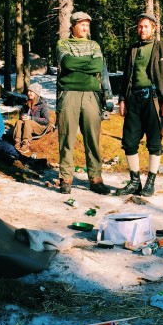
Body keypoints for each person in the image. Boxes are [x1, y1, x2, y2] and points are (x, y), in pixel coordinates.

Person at [115, 12, 163, 197]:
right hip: (133, 99)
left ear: (154, 28)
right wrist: (122, 99)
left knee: (154, 142)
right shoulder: (133, 49)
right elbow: (126, 76)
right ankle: (134, 182)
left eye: (146, 26)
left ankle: (150, 182)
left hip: (154, 100)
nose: (142, 30)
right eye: (140, 26)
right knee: (129, 142)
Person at [55, 11, 110, 195]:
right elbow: (67, 62)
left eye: (87, 24)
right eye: (81, 24)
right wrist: (85, 64)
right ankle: (66, 178)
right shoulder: (63, 43)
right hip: (68, 93)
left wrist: (79, 65)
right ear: (72, 26)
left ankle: (95, 178)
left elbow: (97, 66)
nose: (85, 28)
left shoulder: (94, 45)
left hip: (91, 95)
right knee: (67, 137)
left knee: (92, 138)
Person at [13, 82, 50, 154]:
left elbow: (46, 120)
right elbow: (21, 114)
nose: (29, 93)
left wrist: (31, 118)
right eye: (28, 91)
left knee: (28, 122)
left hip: (40, 126)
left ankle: (25, 144)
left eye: (31, 91)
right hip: (28, 125)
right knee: (19, 122)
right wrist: (22, 116)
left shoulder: (42, 104)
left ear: (36, 93)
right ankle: (17, 141)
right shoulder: (27, 102)